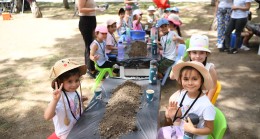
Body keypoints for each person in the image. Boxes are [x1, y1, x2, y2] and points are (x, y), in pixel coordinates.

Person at [157, 61, 216, 139]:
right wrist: (175, 115)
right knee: (160, 132)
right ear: (181, 80)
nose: (190, 83)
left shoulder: (206, 105)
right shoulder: (183, 93)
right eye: (186, 79)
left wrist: (193, 130)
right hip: (181, 130)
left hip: (195, 136)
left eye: (194, 79)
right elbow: (183, 113)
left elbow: (209, 129)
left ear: (201, 81)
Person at [44, 58, 88, 139]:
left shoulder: (74, 91)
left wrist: (80, 99)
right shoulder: (59, 98)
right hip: (66, 134)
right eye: (70, 81)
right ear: (60, 82)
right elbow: (47, 116)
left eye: (77, 80)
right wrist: (55, 100)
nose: (74, 84)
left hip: (78, 126)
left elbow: (71, 104)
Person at [170, 34, 218, 101]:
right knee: (172, 100)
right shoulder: (186, 66)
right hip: (186, 92)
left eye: (201, 53)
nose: (197, 56)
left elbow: (213, 87)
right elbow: (172, 77)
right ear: (189, 54)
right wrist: (179, 62)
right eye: (194, 52)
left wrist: (208, 100)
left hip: (201, 96)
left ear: (206, 54)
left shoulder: (210, 68)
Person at [77, 0, 105, 78]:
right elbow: (81, 9)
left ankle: (91, 67)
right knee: (89, 45)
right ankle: (91, 70)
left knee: (92, 45)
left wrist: (97, 8)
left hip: (92, 19)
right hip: (86, 21)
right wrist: (96, 9)